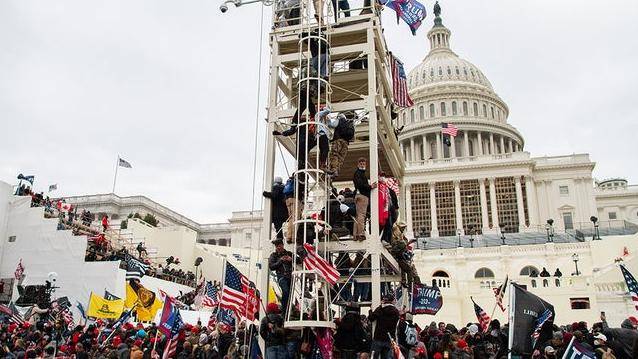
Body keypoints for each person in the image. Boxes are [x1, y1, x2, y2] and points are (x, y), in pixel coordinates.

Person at [368, 294, 400, 359]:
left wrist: (370, 310)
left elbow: (371, 318)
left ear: (384, 301)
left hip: (378, 338)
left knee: (373, 357)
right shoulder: (396, 311)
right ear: (392, 301)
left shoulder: (380, 309)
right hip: (389, 339)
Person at [352, 158, 377, 241]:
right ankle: (361, 234)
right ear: (358, 165)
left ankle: (355, 235)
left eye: (364, 163)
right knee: (361, 215)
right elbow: (360, 184)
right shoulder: (359, 173)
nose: (362, 165)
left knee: (358, 216)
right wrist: (370, 187)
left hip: (359, 195)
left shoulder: (358, 173)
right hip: (362, 196)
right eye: (361, 163)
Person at [268, 240, 294, 313]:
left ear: (283, 245)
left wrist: (291, 260)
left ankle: (288, 309)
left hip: (290, 276)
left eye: (279, 245)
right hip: (281, 276)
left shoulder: (289, 253)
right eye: (277, 246)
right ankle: (284, 310)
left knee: (289, 293)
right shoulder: (273, 255)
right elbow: (271, 266)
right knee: (285, 291)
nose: (278, 247)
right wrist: (281, 260)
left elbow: (298, 260)